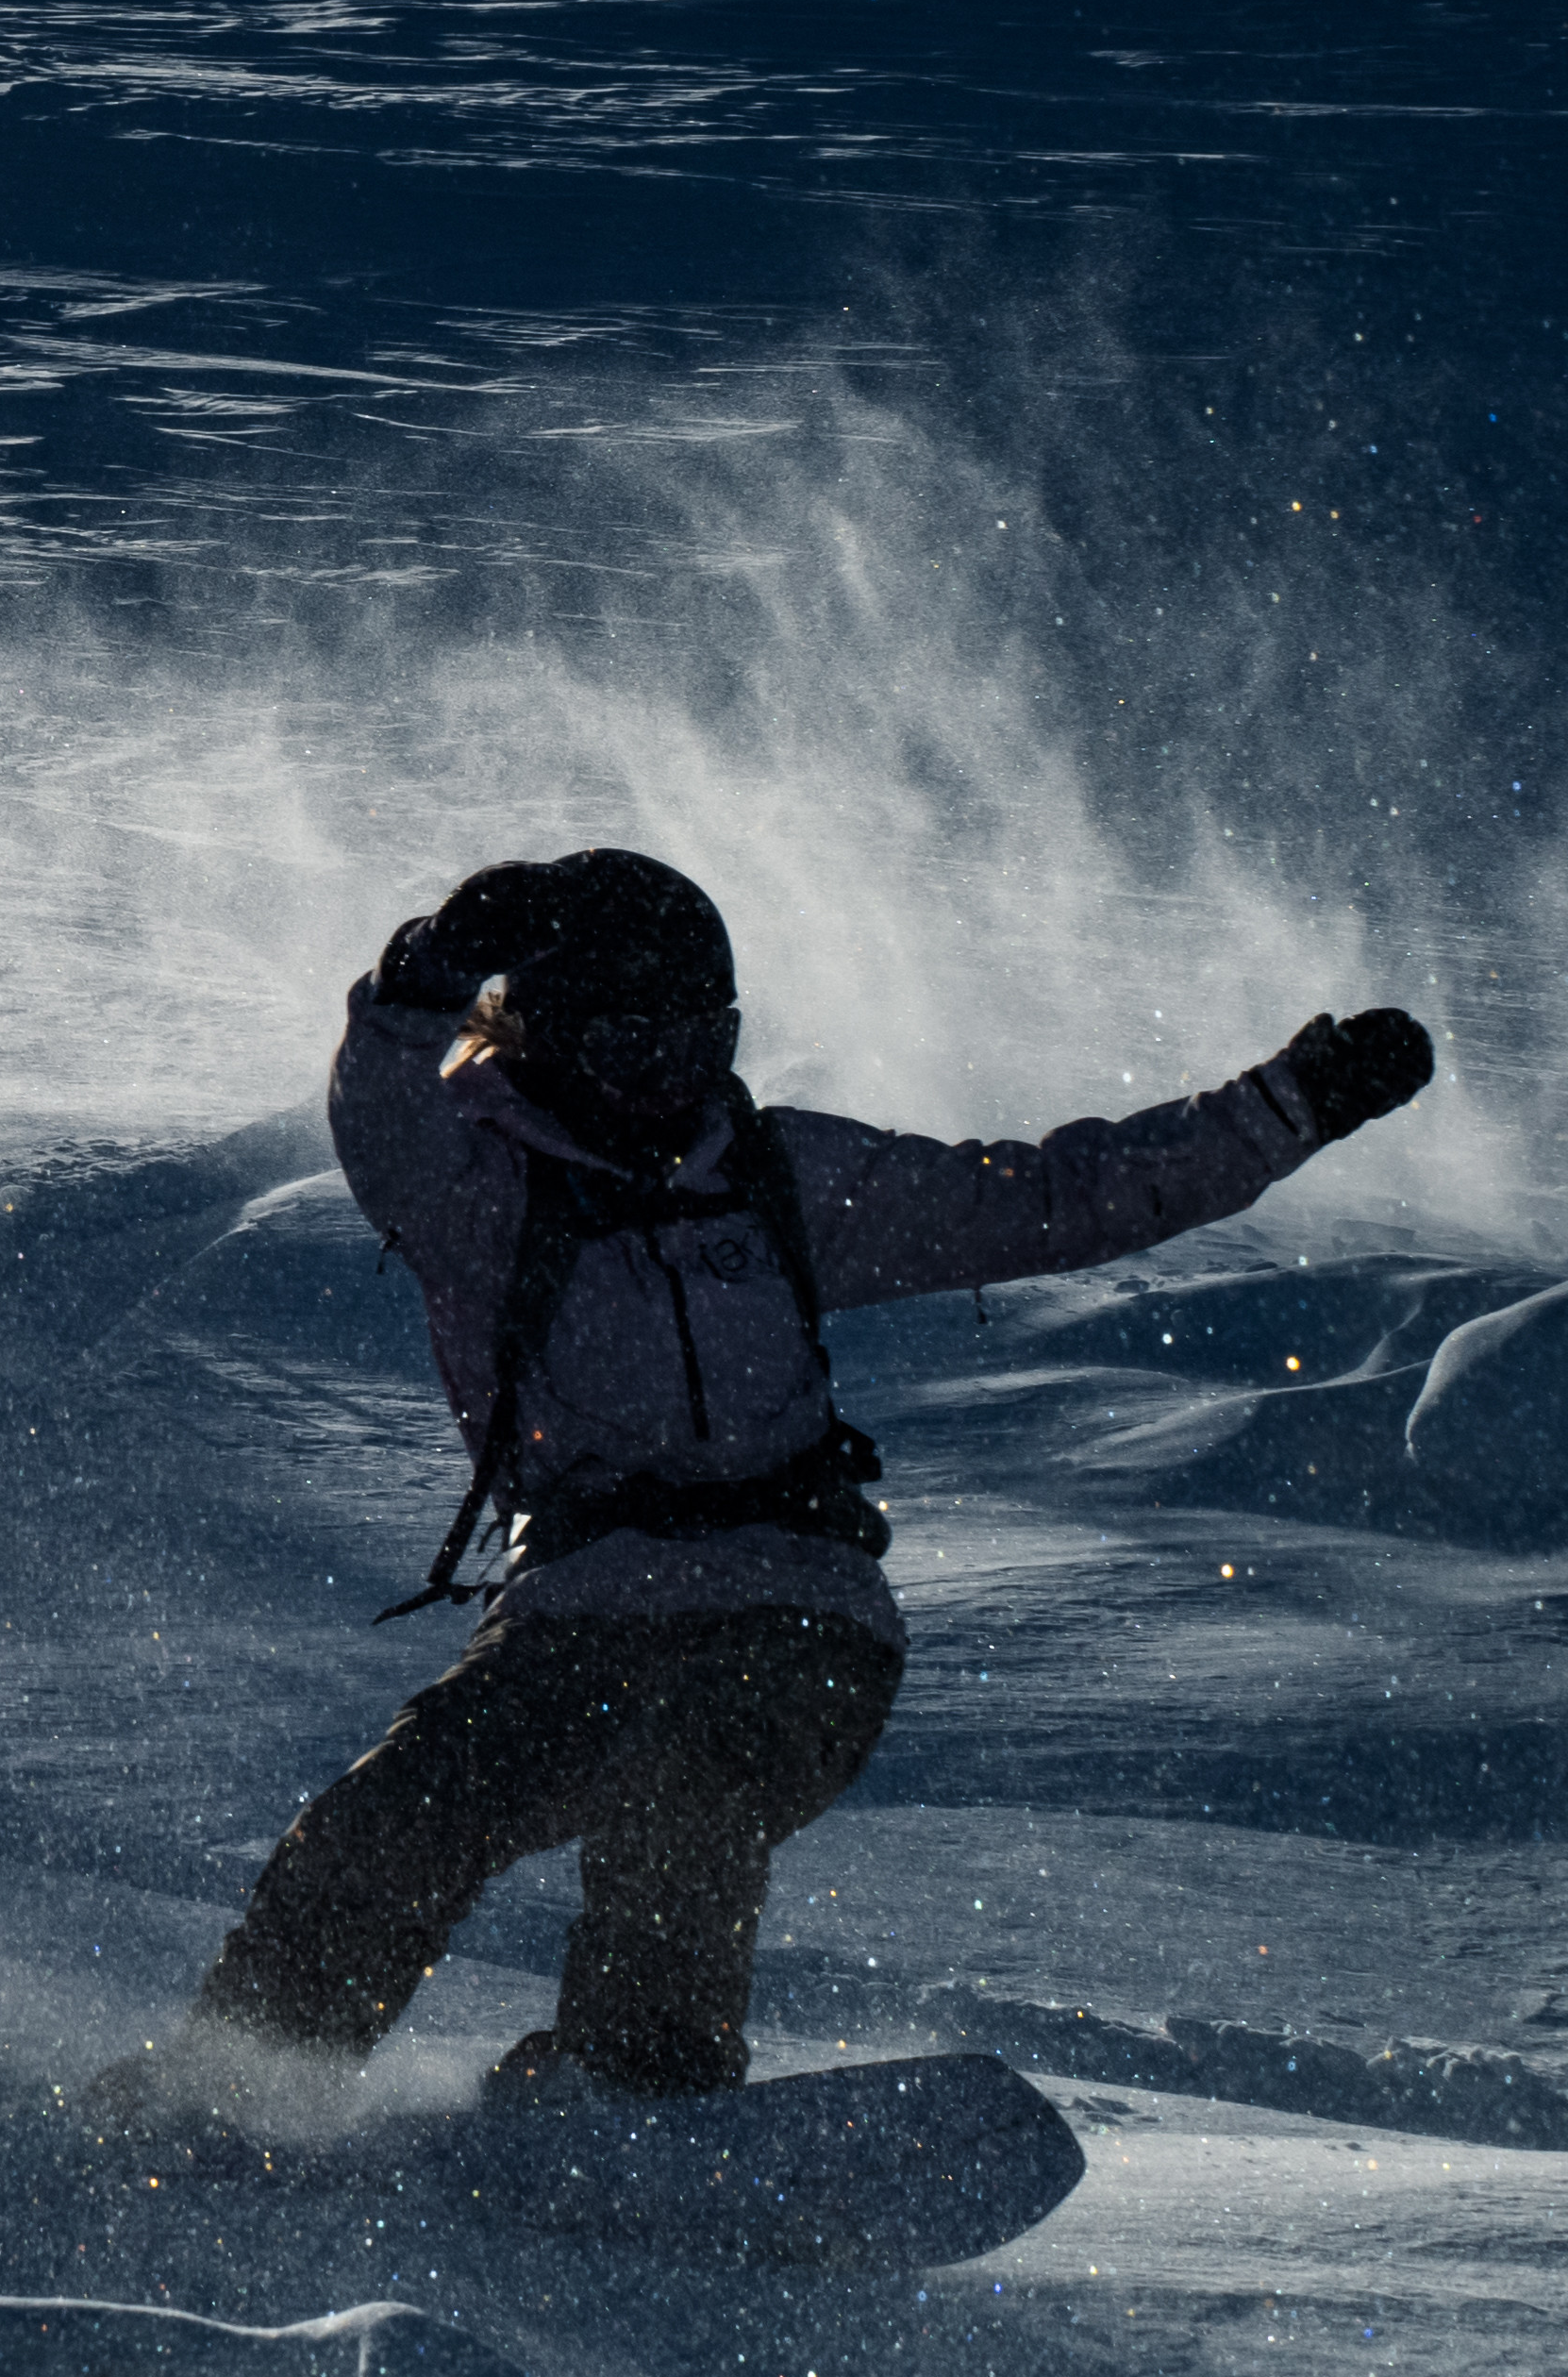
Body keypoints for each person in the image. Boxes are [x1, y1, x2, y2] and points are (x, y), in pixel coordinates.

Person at [116, 846, 1432, 2114]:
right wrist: (421, 975)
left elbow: (1053, 1198)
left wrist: (1292, 1101)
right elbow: (384, 1110)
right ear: (554, 1041)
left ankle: (636, 2093)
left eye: (704, 1043)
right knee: (397, 1818)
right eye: (636, 1050)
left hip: (799, 1611)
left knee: (688, 1789)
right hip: (577, 1618)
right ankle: (242, 2085)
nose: (671, 1083)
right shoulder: (481, 1194)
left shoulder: (782, 1180)